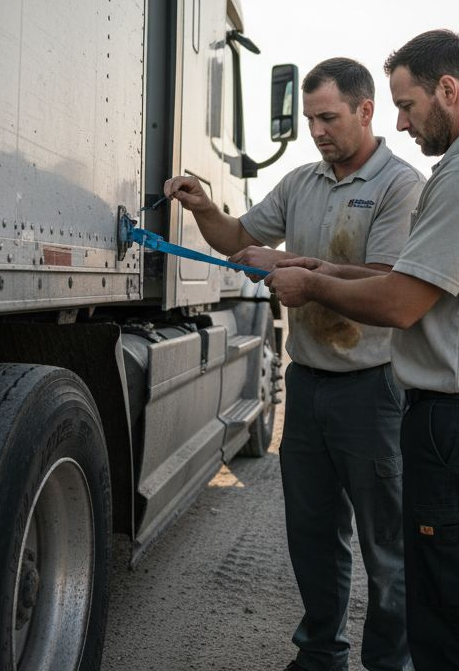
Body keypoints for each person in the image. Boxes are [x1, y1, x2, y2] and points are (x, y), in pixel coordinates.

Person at [265, 30, 459, 670]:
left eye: (407, 105)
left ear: (448, 90)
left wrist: (311, 284)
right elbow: (413, 278)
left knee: (454, 622)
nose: (400, 123)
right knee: (458, 604)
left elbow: (399, 302)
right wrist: (323, 267)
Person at [163, 57, 423, 671]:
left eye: (328, 117)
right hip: (307, 385)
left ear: (366, 110)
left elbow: (387, 282)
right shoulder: (302, 181)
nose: (317, 131)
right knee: (312, 533)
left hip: (374, 390)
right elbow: (239, 239)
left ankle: (390, 663)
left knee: (387, 546)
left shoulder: (400, 186)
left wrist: (291, 265)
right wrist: (204, 208)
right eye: (309, 120)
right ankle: (321, 655)